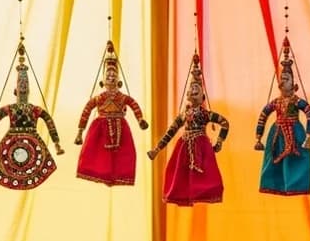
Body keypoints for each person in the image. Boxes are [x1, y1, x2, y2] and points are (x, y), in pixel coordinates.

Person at [148, 52, 229, 205]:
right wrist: (156, 150)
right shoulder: (184, 114)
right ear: (187, 94)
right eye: (191, 89)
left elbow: (225, 123)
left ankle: (203, 193)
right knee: (181, 176)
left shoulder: (205, 114)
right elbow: (170, 132)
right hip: (184, 145)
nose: (193, 91)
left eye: (196, 88)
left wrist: (219, 142)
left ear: (203, 96)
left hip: (202, 146)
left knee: (206, 176)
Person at [0, 43, 63, 190]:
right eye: (21, 86)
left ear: (29, 90)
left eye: (25, 86)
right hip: (14, 139)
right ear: (15, 90)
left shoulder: (35, 110)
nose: (23, 88)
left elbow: (49, 121)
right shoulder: (11, 108)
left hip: (31, 141)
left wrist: (56, 143)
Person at [75, 40, 147, 186]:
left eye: (114, 75)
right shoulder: (99, 98)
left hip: (121, 128)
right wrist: (79, 132)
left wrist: (141, 120)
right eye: (108, 75)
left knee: (123, 155)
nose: (111, 77)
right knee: (100, 157)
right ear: (102, 81)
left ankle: (119, 176)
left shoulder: (122, 97)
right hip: (100, 130)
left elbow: (133, 104)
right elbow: (87, 110)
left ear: (119, 80)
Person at [254, 37, 310, 196]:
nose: (282, 82)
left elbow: (309, 114)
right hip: (277, 132)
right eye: (281, 79)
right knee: (273, 160)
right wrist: (258, 137)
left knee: (295, 161)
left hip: (295, 132)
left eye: (286, 79)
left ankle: (295, 185)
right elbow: (264, 114)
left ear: (294, 84)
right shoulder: (275, 102)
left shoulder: (297, 101)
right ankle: (274, 185)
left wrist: (308, 136)